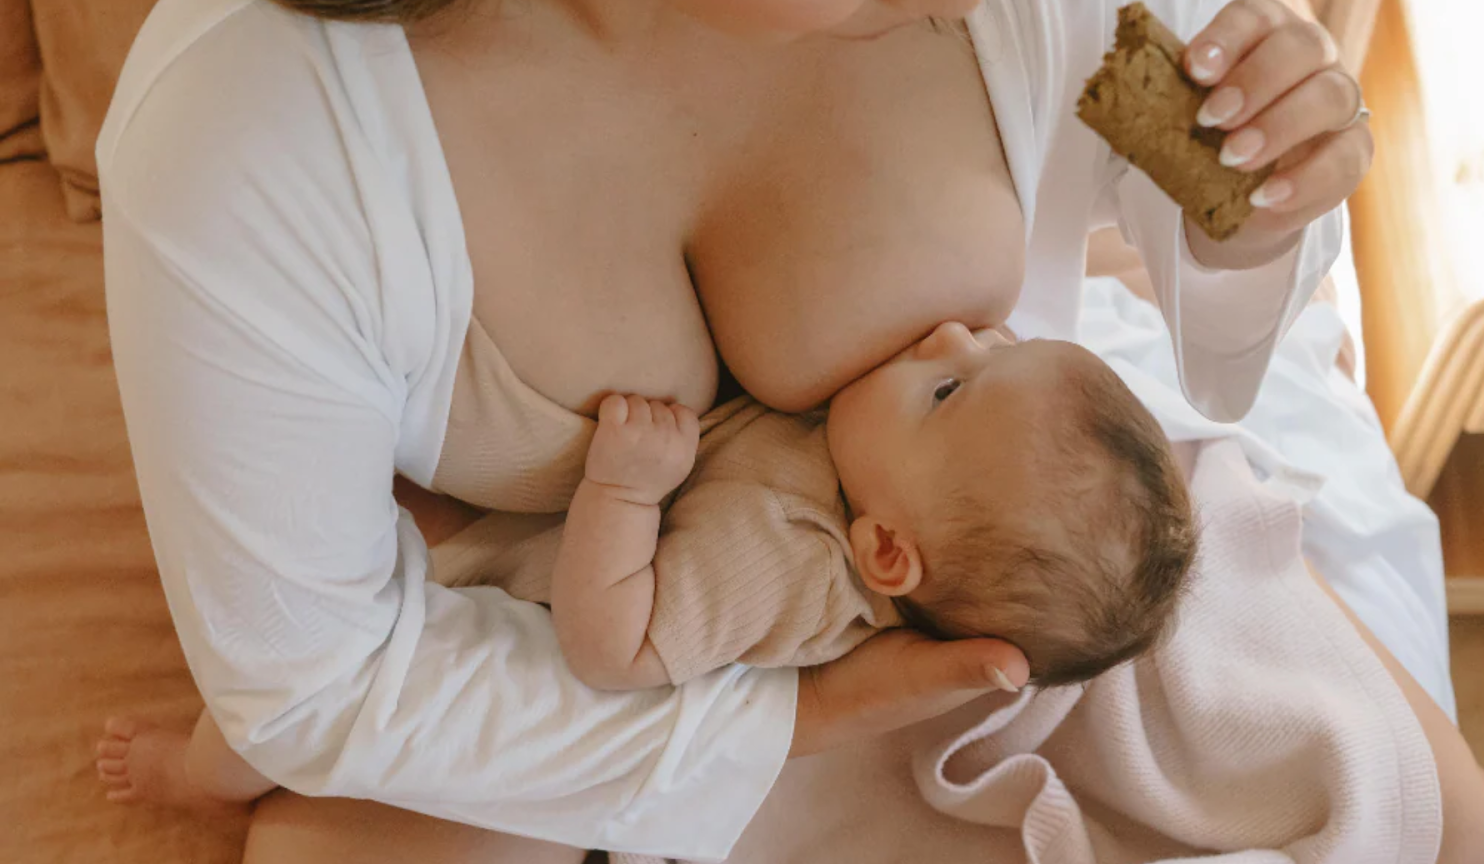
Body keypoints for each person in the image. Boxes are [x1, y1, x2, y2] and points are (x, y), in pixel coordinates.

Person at [90, 0, 1484, 860]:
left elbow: (1224, 327)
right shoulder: (252, 132)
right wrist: (803, 717)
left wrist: (1267, 202)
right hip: (594, 677)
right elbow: (313, 684)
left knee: (1450, 831)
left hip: (1016, 577)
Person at [99, 322, 1197, 811]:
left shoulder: (783, 565)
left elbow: (613, 646)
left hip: (496, 623)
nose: (955, 334)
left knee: (295, 712)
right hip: (508, 525)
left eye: (952, 387)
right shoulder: (879, 472)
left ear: (886, 552)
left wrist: (624, 493)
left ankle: (194, 781)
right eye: (991, 345)